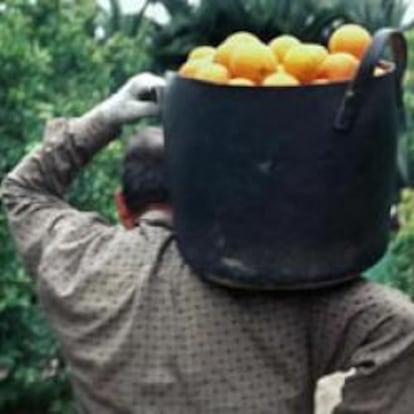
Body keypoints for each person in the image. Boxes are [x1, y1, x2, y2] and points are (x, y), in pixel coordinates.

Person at [3, 72, 414, 414]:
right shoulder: (276, 286)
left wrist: (108, 115)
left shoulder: (77, 263)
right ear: (214, 195)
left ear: (122, 205)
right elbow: (400, 328)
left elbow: (22, 192)